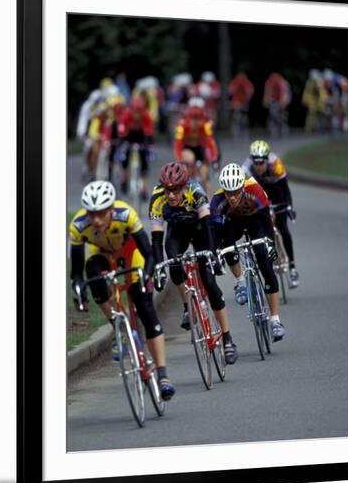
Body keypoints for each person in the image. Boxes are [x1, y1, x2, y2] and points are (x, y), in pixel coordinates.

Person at [69, 180, 175, 400]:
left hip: (130, 254)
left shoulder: (126, 214)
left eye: (101, 213)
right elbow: (77, 272)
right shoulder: (79, 225)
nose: (96, 220)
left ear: (111, 209)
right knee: (92, 271)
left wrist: (147, 273)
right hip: (102, 256)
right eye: (92, 214)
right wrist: (79, 291)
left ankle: (163, 375)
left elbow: (149, 253)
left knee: (146, 311)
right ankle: (118, 325)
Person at [149, 162, 238, 364]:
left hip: (200, 231)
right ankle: (187, 306)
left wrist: (212, 255)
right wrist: (158, 269)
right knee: (172, 265)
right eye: (167, 189)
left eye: (176, 190)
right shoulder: (157, 197)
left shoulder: (196, 191)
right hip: (177, 232)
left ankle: (227, 338)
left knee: (209, 282)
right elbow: (156, 238)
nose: (171, 195)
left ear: (184, 185)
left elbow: (208, 226)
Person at [210, 163, 285, 341]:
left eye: (236, 192)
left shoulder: (255, 190)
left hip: (256, 221)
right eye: (228, 193)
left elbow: (267, 223)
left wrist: (270, 245)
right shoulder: (217, 200)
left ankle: (275, 320)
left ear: (243, 186)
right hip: (233, 223)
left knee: (264, 260)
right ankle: (240, 282)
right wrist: (217, 253)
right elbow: (216, 233)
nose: (232, 197)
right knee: (227, 244)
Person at [242, 140, 299, 287]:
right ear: (251, 160)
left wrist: (289, 207)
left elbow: (285, 188)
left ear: (267, 159)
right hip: (260, 193)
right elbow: (245, 193)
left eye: (262, 162)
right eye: (256, 162)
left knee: (283, 228)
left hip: (276, 191)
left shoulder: (276, 164)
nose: (259, 165)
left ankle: (292, 267)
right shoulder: (246, 168)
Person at [173, 103, 219, 195]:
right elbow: (177, 145)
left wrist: (214, 157)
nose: (195, 122)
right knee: (190, 158)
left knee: (204, 176)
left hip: (200, 149)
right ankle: (187, 183)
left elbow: (211, 143)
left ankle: (207, 199)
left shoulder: (205, 126)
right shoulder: (182, 126)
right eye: (193, 119)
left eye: (198, 119)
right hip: (187, 148)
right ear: (189, 118)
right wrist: (180, 159)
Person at [117, 95, 154, 200]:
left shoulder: (146, 115)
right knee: (125, 155)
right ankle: (124, 178)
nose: (137, 115)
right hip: (129, 136)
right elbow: (122, 129)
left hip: (142, 137)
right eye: (135, 112)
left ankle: (144, 188)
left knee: (145, 160)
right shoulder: (126, 114)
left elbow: (149, 131)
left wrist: (149, 145)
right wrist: (122, 142)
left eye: (139, 112)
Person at [262, 72, 291, 137]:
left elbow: (285, 93)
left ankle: (283, 128)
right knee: (273, 115)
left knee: (282, 115)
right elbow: (267, 93)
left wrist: (284, 103)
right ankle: (274, 129)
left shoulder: (282, 82)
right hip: (274, 100)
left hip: (282, 99)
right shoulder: (269, 82)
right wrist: (266, 101)